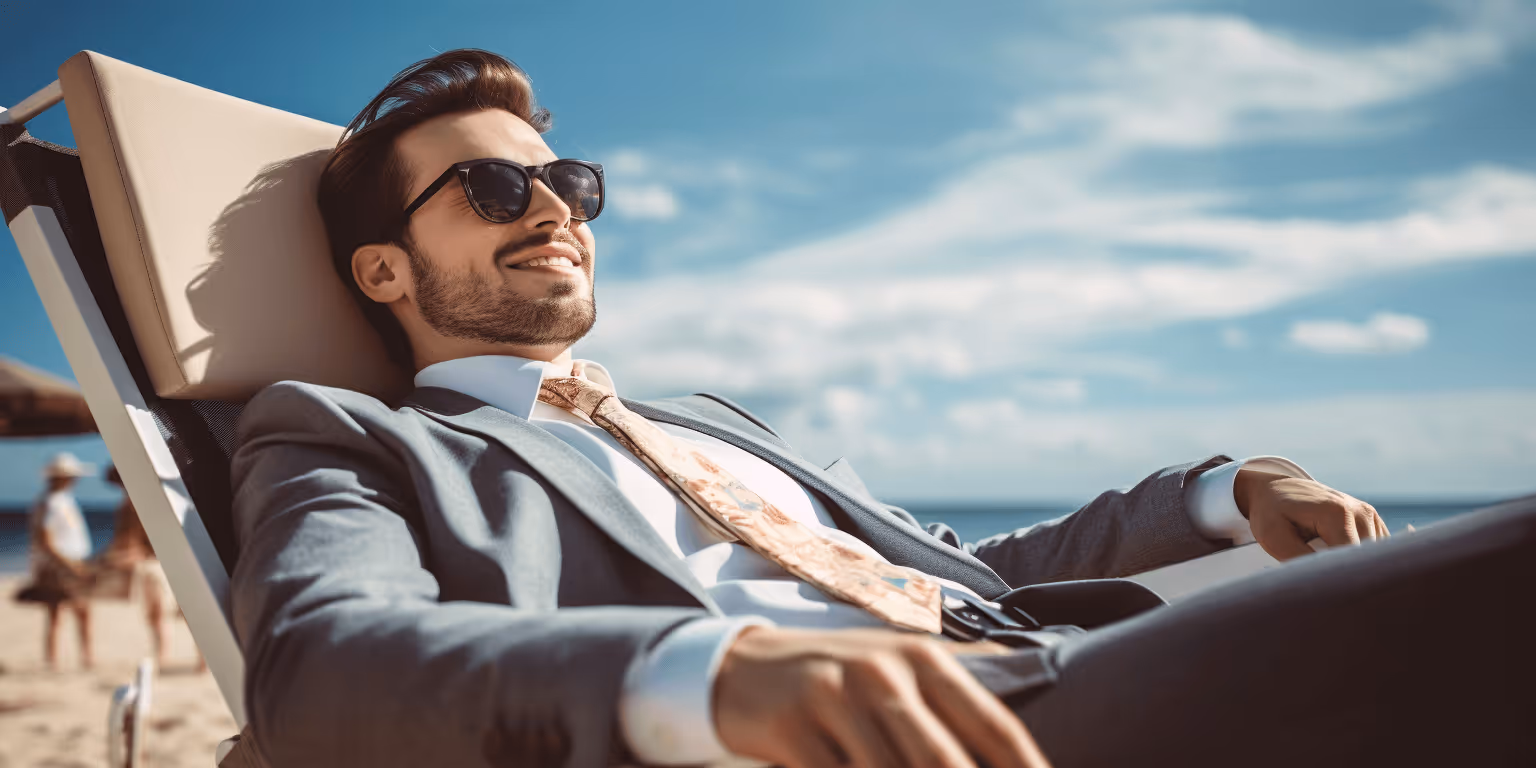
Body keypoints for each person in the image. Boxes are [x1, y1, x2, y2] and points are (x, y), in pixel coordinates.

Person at [228, 49, 1534, 768]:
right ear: (384, 272)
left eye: (564, 179)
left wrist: (1223, 492)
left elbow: (951, 570)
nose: (557, 207)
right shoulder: (349, 435)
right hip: (915, 736)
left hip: (1040, 656)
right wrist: (700, 674)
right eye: (497, 192)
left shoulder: (705, 420)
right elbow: (318, 665)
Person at [94, 465, 206, 673]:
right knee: (189, 613)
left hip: (153, 565)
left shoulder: (130, 504)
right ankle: (201, 660)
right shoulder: (154, 498)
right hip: (179, 560)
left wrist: (104, 561)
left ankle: (163, 658)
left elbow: (129, 544)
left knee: (158, 615)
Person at [22, 452, 95, 670]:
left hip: (66, 562)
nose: (75, 479)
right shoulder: (50, 502)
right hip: (61, 566)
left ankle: (64, 658)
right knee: (71, 611)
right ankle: (74, 658)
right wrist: (71, 565)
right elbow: (46, 541)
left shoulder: (61, 500)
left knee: (66, 612)